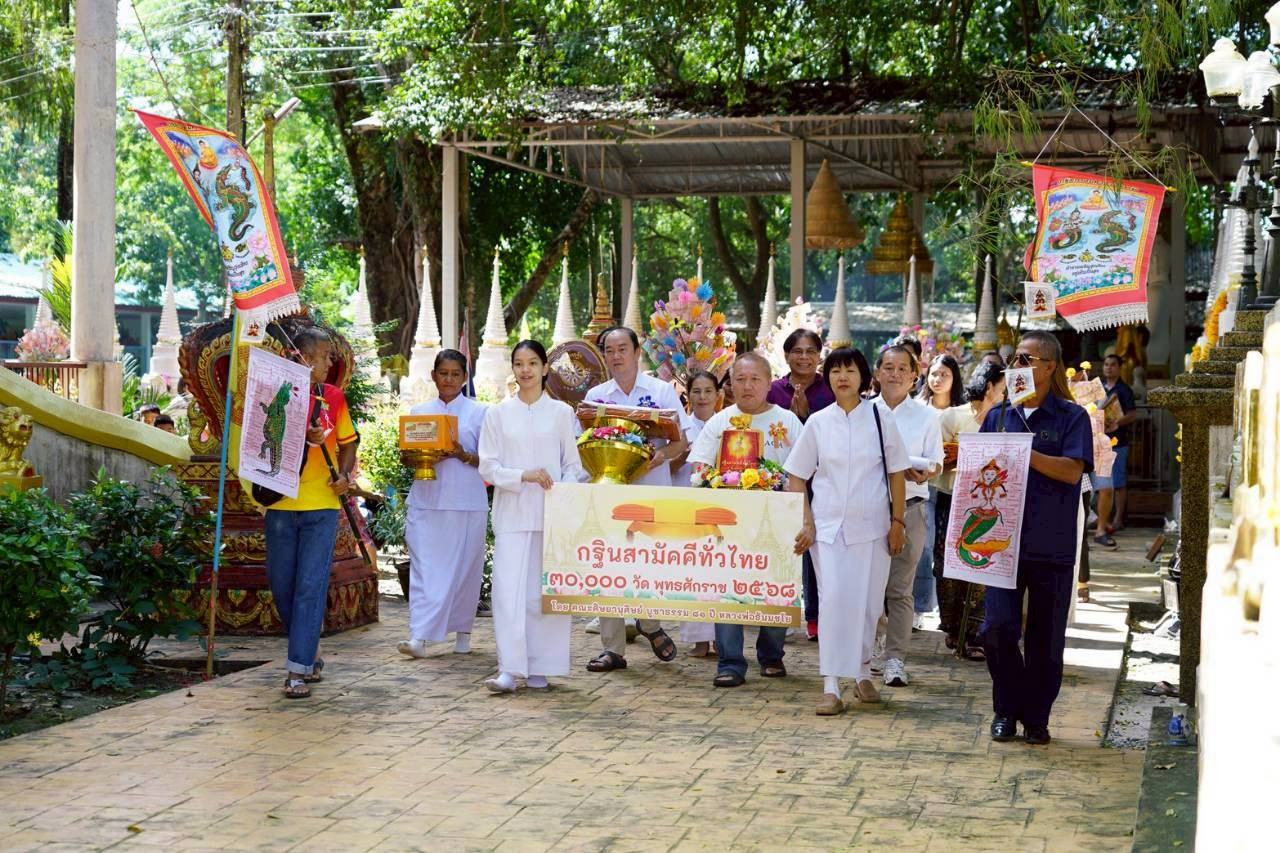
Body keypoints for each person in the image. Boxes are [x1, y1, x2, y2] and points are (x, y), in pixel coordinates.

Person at [982, 331, 1093, 746]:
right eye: (1014, 361)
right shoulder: (998, 416)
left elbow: (1071, 471)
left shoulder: (1071, 416)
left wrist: (1023, 453)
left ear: (1048, 366)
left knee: (1045, 638)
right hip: (1000, 544)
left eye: (1026, 360)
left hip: (1051, 543)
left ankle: (1036, 717)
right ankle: (1005, 709)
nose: (1017, 368)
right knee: (997, 629)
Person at [786, 347, 908, 715]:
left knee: (870, 604)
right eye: (836, 371)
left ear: (863, 377)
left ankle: (862, 672)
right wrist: (805, 521)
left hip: (874, 528)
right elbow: (797, 477)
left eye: (850, 370)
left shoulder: (880, 417)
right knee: (835, 600)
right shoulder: (818, 422)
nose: (843, 377)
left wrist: (898, 522)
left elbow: (897, 472)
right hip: (829, 529)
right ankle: (831, 685)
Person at [687, 353, 804, 687]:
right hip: (729, 525)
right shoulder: (719, 422)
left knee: (776, 588)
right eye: (740, 379)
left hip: (777, 522)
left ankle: (771, 655)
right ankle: (730, 662)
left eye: (755, 379)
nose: (747, 386)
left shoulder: (789, 422)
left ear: (769, 383)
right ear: (730, 383)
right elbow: (699, 469)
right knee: (727, 592)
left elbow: (804, 469)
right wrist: (719, 481)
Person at [478, 340, 584, 692]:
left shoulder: (561, 414)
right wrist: (523, 475)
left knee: (544, 595)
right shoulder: (497, 414)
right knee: (508, 593)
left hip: (551, 517)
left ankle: (542, 667)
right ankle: (510, 668)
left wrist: (562, 493)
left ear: (545, 368)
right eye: (519, 363)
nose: (525, 370)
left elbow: (574, 466)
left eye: (533, 363)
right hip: (512, 514)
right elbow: (488, 467)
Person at [582, 326, 689, 671]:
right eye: (609, 350)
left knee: (651, 564)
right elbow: (582, 443)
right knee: (608, 566)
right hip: (609, 494)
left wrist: (654, 459)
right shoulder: (596, 397)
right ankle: (613, 649)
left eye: (622, 349)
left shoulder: (661, 392)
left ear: (637, 351)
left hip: (653, 490)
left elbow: (680, 443)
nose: (616, 356)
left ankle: (651, 623)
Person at [265, 326, 358, 700]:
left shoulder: (333, 397)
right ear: (302, 357)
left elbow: (350, 442)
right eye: (324, 355)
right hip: (279, 502)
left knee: (309, 587)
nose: (330, 361)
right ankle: (309, 649)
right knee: (282, 587)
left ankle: (297, 670)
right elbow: (260, 440)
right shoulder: (275, 393)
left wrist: (346, 476)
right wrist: (303, 434)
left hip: (321, 503)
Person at [399, 350, 489, 659]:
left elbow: (490, 460)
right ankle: (419, 636)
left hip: (466, 502)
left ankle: (462, 633)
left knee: (464, 570)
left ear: (465, 377)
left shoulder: (481, 413)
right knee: (425, 570)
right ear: (433, 375)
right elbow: (405, 456)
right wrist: (425, 454)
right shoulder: (419, 410)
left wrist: (463, 454)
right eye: (443, 373)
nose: (448, 379)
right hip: (426, 500)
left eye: (455, 374)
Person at [870, 346, 942, 688]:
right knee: (868, 587)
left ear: (915, 376)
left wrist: (923, 471)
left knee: (900, 589)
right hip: (868, 510)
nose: (895, 374)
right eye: (888, 367)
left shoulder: (927, 417)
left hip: (911, 508)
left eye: (903, 368)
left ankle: (895, 658)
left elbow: (936, 462)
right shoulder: (863, 412)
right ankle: (871, 645)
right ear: (877, 373)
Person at [765, 328, 834, 641]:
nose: (804, 357)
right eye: (798, 351)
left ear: (819, 356)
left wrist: (806, 416)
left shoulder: (830, 388)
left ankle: (816, 617)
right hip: (776, 480)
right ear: (786, 355)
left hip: (820, 482)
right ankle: (769, 610)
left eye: (810, 351)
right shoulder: (772, 390)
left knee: (814, 548)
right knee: (780, 546)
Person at [934, 360, 1005, 658]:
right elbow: (936, 459)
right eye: (1002, 389)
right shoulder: (953, 417)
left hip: (987, 506)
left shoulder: (1006, 420)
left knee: (983, 563)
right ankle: (953, 627)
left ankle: (975, 633)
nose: (1006, 395)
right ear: (989, 386)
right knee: (949, 563)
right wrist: (964, 455)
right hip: (952, 499)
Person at [912, 355, 964, 628]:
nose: (937, 379)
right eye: (933, 374)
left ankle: (946, 607)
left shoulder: (964, 411)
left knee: (946, 548)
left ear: (954, 378)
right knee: (923, 545)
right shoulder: (918, 409)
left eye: (944, 374)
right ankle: (920, 605)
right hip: (924, 484)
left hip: (954, 487)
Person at [672, 370, 721, 657]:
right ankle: (698, 639)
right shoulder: (682, 429)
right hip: (686, 507)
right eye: (696, 391)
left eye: (708, 391)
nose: (702, 397)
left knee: (718, 574)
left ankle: (720, 637)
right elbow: (668, 468)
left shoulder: (730, 425)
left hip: (718, 509)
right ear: (687, 395)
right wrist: (682, 453)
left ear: (718, 395)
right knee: (691, 573)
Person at [1092, 353, 1137, 550]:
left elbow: (1133, 414)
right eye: (1106, 364)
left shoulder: (1124, 390)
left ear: (1119, 368)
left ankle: (1117, 519)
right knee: (1098, 487)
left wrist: (1116, 421)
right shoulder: (1097, 388)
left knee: (1116, 483)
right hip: (1096, 441)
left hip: (1117, 441)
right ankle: (1101, 523)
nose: (1109, 368)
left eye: (1113, 365)